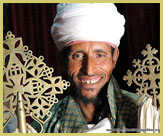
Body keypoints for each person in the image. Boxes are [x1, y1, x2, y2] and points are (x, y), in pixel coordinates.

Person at [4, 3, 160, 133]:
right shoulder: (46, 124)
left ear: (115, 58)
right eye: (78, 56)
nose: (89, 69)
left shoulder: (145, 113)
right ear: (63, 60)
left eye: (100, 55)